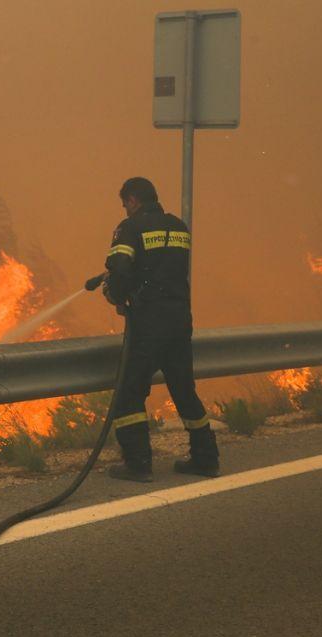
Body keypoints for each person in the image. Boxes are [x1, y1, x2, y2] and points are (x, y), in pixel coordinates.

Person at [102, 177, 220, 482]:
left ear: (132, 200)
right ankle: (206, 459)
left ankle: (138, 463)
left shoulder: (129, 228)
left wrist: (115, 296)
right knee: (183, 389)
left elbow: (120, 270)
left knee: (130, 391)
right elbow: (163, 266)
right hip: (180, 320)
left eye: (125, 204)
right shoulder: (179, 226)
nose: (125, 209)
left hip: (149, 322)